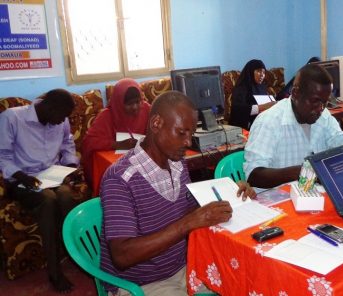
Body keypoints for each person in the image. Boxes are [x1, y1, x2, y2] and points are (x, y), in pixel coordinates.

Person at [99, 91, 255, 296]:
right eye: (181, 133)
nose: (188, 142)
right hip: (141, 283)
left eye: (191, 134)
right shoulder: (120, 178)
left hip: (184, 264)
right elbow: (122, 256)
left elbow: (188, 207)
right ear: (156, 124)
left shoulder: (176, 162)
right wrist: (189, 222)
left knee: (246, 281)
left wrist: (232, 195)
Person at [0, 89, 81, 293]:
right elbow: (3, 155)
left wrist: (70, 166)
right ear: (49, 107)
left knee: (64, 196)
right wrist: (21, 176)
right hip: (22, 180)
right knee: (47, 200)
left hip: (52, 175)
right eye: (61, 116)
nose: (63, 121)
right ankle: (55, 271)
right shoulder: (12, 118)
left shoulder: (59, 118)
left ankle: (77, 254)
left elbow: (67, 143)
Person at [244, 64, 343, 189]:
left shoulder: (323, 115)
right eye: (315, 101)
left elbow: (337, 139)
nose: (320, 109)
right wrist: (301, 172)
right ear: (295, 93)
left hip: (313, 194)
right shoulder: (269, 121)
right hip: (278, 201)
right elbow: (253, 176)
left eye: (325, 102)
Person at [82, 78, 151, 188]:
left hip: (145, 162)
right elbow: (89, 142)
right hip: (116, 167)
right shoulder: (107, 116)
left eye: (138, 102)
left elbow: (160, 129)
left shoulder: (146, 109)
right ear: (119, 103)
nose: (135, 107)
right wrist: (117, 144)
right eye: (129, 104)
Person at [228, 59, 276, 130]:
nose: (262, 75)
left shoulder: (262, 87)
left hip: (261, 123)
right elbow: (238, 109)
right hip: (243, 126)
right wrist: (263, 107)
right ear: (250, 72)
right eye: (259, 71)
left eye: (264, 72)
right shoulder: (241, 88)